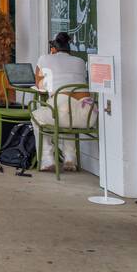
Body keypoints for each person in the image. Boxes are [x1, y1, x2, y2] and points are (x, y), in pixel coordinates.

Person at [33, 32, 91, 171]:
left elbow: (40, 85)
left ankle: (47, 159)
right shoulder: (80, 61)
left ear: (53, 49)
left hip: (63, 111)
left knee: (37, 116)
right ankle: (70, 158)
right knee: (66, 114)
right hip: (88, 114)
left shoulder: (44, 59)